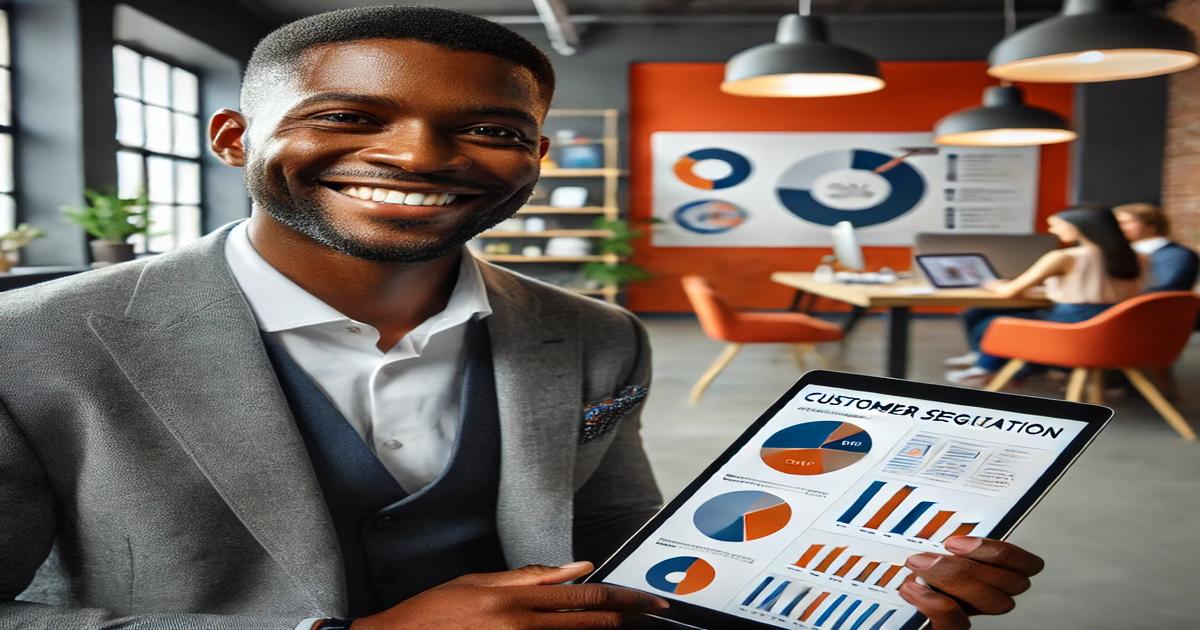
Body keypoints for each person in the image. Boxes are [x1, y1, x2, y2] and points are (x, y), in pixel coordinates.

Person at [0, 7, 1044, 629]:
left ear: (538, 158)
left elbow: (618, 556)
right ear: (233, 136)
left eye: (491, 129)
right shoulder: (30, 347)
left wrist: (826, 586)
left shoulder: (595, 336)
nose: (417, 157)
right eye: (349, 117)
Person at [948, 206, 1142, 383]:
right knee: (983, 314)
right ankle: (999, 366)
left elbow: (1010, 291)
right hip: (1118, 331)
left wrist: (992, 284)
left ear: (1078, 227)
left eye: (1056, 225)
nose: (1052, 231)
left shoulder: (1063, 257)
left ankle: (987, 367)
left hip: (1072, 329)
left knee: (991, 323)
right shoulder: (1135, 256)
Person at [1113, 202, 1199, 292]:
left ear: (1152, 225)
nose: (1119, 228)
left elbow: (1163, 289)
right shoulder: (1122, 252)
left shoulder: (1176, 255)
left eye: (1126, 222)